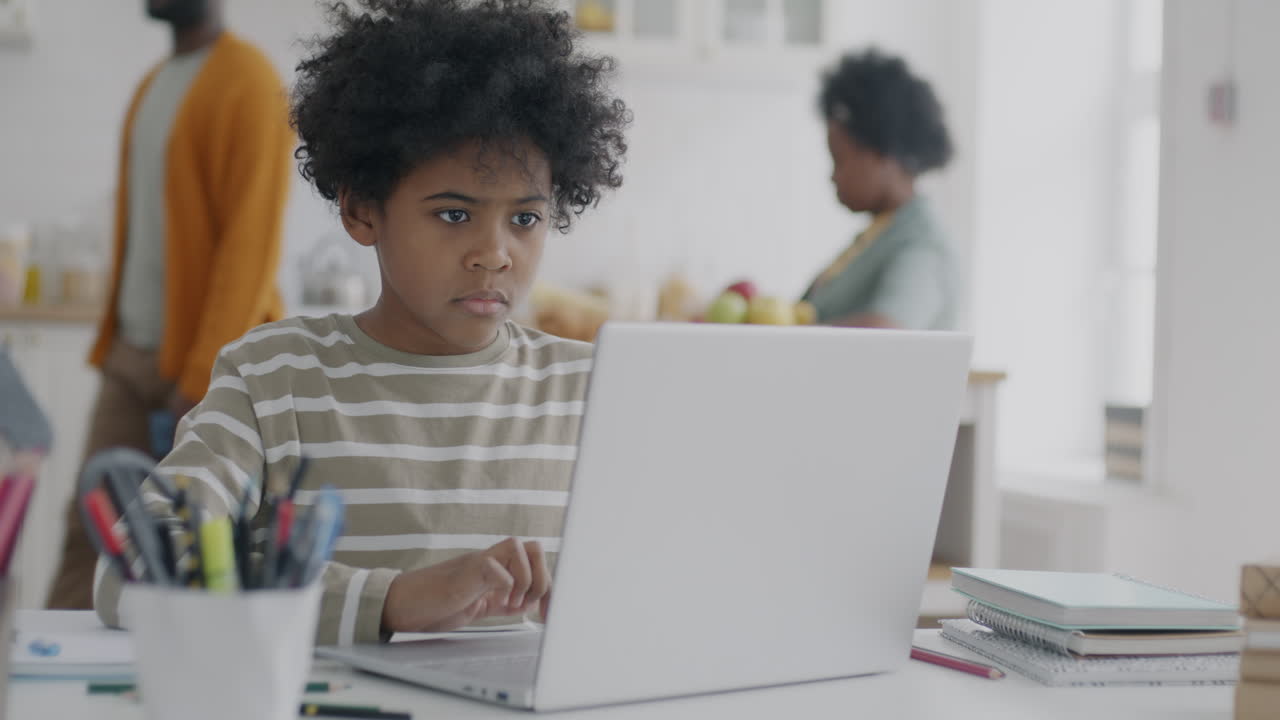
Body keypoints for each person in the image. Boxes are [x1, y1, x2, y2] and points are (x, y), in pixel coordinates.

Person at [93, 0, 630, 646]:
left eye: (525, 218)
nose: (495, 253)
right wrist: (390, 599)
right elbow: (129, 572)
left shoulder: (591, 390)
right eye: (455, 214)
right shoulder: (274, 379)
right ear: (360, 210)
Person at [46, 0, 294, 609]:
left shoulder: (251, 83)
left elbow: (249, 245)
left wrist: (202, 373)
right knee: (88, 526)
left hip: (203, 370)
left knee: (196, 545)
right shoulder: (151, 86)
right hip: (131, 357)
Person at [802, 49, 956, 330]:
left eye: (839, 160)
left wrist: (789, 335)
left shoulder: (922, 244)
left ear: (884, 156)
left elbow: (888, 328)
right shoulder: (880, 234)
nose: (833, 177)